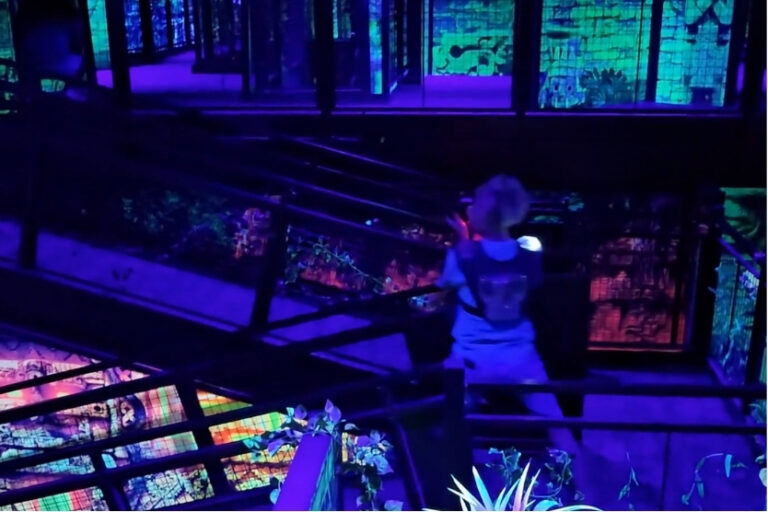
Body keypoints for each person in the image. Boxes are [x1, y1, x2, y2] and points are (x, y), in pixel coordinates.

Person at [438, 174, 578, 453]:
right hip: (521, 361)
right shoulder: (529, 254)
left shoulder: (461, 255)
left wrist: (464, 243)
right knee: (557, 424)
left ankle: (453, 465)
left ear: (482, 212)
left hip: (472, 361)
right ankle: (574, 468)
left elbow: (446, 285)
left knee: (451, 411)